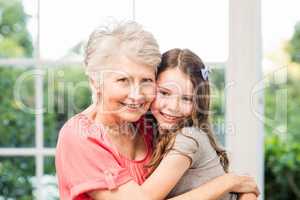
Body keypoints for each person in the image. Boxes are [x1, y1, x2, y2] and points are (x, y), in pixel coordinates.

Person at [55, 21, 259, 200]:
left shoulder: (153, 122)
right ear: (95, 82)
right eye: (123, 80)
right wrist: (228, 182)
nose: (136, 95)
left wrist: (242, 190)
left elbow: (216, 175)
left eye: (146, 81)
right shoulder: (80, 136)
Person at [141, 48, 257, 200]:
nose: (173, 107)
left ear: (199, 103)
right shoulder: (152, 134)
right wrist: (227, 182)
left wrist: (229, 182)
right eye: (164, 93)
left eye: (187, 99)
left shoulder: (188, 138)